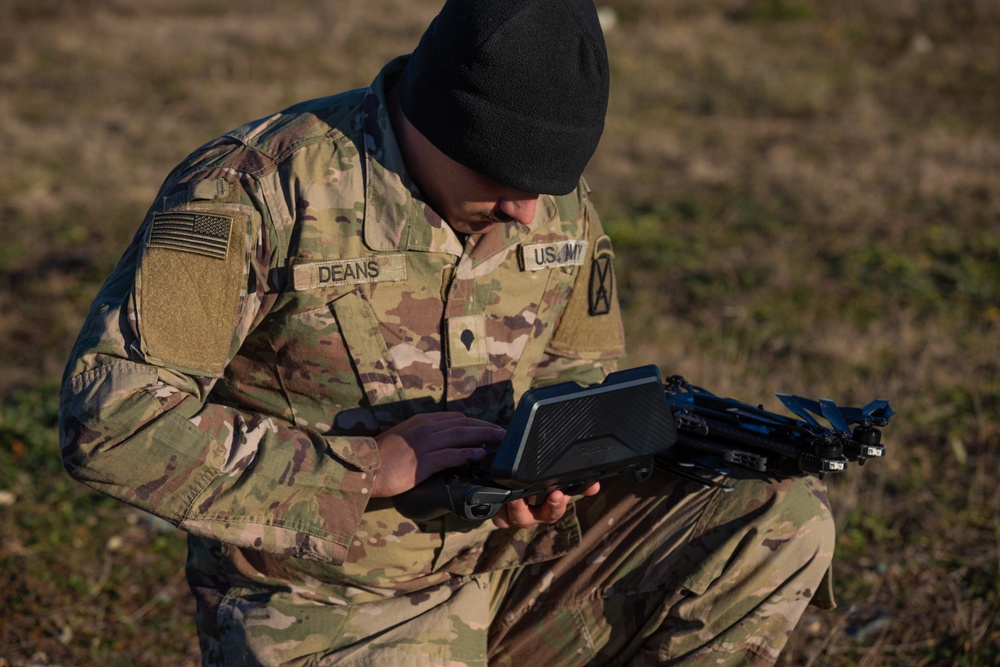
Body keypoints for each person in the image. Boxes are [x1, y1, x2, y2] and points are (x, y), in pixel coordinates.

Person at [59, 0, 836, 665]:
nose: (529, 213)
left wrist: (544, 474)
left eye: (548, 186)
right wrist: (363, 469)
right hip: (331, 602)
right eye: (505, 183)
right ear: (436, 124)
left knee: (777, 521)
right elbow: (113, 421)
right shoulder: (252, 193)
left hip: (511, 561)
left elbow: (582, 369)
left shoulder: (542, 196)